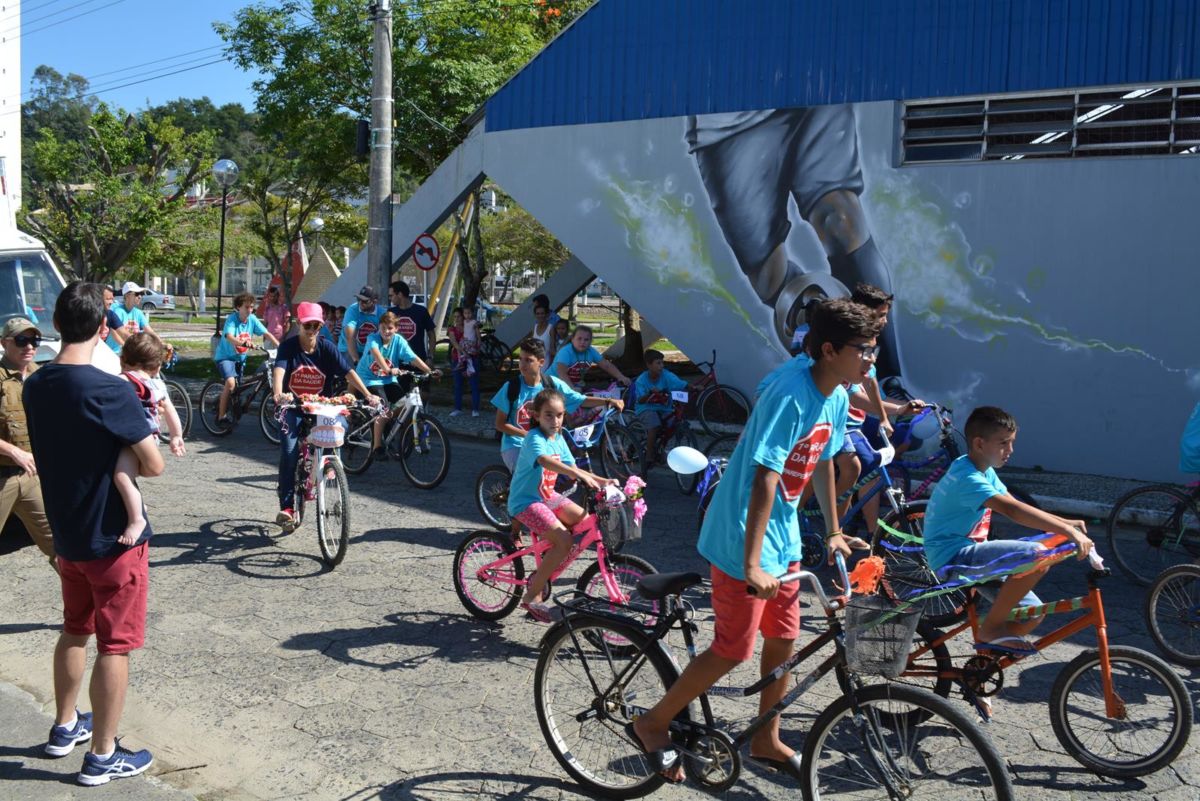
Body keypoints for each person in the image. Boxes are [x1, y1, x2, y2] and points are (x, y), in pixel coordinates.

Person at [630, 298, 875, 783]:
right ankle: (653, 722)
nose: (870, 359)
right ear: (829, 349)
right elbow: (765, 477)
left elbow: (823, 460)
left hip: (780, 530)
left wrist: (832, 530)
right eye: (863, 349)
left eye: (873, 349)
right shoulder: (791, 393)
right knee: (734, 648)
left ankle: (767, 737)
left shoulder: (838, 393)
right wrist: (751, 564)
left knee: (784, 637)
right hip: (743, 529)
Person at [25, 281, 164, 785]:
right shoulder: (110, 390)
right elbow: (153, 465)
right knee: (114, 646)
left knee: (74, 629)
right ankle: (103, 754)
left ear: (57, 324)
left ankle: (65, 727)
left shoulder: (35, 384)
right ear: (104, 328)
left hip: (68, 534)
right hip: (114, 538)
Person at [686, 104, 903, 376]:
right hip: (728, 127)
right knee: (769, 278)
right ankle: (830, 361)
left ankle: (889, 378)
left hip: (813, 96)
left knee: (841, 221)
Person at [923, 406, 1093, 656]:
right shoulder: (968, 479)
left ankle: (983, 666)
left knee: (1033, 615)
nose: (1010, 450)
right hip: (953, 557)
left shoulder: (978, 467)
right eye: (1003, 443)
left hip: (970, 552)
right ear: (979, 444)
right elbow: (1012, 511)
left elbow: (1016, 503)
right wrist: (1067, 529)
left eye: (1012, 442)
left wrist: (1066, 523)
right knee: (1038, 556)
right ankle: (990, 629)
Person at [507, 388, 615, 622]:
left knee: (587, 522)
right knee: (564, 541)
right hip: (526, 501)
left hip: (547, 496)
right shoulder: (535, 438)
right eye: (549, 415)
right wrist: (578, 476)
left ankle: (549, 560)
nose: (555, 421)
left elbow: (574, 469)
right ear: (536, 415)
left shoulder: (558, 438)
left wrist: (602, 481)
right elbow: (544, 460)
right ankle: (530, 596)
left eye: (560, 415)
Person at [272, 301, 378, 530]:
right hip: (292, 407)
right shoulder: (288, 347)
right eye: (307, 325)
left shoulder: (327, 348)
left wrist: (368, 395)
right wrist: (279, 394)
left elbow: (349, 373)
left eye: (316, 326)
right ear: (299, 324)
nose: (311, 331)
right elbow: (279, 371)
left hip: (321, 407)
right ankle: (288, 506)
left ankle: (327, 467)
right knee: (289, 452)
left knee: (339, 428)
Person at [492, 337, 622, 472]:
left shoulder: (552, 384)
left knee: (572, 473)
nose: (522, 364)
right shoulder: (511, 387)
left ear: (541, 362)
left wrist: (608, 401)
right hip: (516, 445)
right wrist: (528, 435)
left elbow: (580, 399)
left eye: (529, 360)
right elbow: (500, 424)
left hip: (548, 443)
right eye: (521, 359)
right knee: (534, 475)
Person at [113, 332, 185, 547]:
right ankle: (136, 511)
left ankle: (137, 518)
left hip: (133, 440)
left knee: (122, 476)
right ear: (156, 366)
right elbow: (171, 412)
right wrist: (176, 437)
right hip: (151, 440)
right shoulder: (158, 385)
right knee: (127, 477)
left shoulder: (122, 380)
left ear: (124, 359)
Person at [0, 317, 56, 567]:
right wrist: (12, 450)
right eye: (22, 340)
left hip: (32, 476)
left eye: (34, 340)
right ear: (4, 343)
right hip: (3, 478)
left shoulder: (40, 376)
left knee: (60, 546)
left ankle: (85, 605)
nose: (30, 346)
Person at [354, 311, 436, 460]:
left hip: (388, 380)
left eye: (390, 328)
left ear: (396, 329)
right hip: (369, 380)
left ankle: (387, 429)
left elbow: (413, 358)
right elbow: (376, 352)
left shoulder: (399, 341)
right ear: (379, 327)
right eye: (383, 327)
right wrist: (387, 369)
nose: (386, 331)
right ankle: (377, 446)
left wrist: (430, 371)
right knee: (382, 408)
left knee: (402, 403)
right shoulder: (373, 338)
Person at [214, 291, 281, 424]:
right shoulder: (232, 319)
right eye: (247, 307)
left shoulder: (252, 319)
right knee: (231, 383)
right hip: (225, 357)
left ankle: (233, 407)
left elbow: (267, 333)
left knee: (239, 389)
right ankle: (221, 416)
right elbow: (229, 336)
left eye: (252, 307)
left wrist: (280, 347)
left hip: (240, 359)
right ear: (238, 307)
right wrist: (243, 342)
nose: (250, 310)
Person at [632, 348, 689, 472]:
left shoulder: (666, 375)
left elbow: (680, 383)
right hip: (645, 408)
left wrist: (694, 387)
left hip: (664, 408)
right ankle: (649, 455)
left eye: (662, 363)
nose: (661, 366)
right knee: (654, 425)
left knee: (672, 425)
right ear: (649, 365)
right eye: (658, 363)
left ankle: (660, 448)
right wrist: (650, 393)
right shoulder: (642, 380)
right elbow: (640, 400)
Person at [551, 324, 631, 390]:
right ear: (572, 339)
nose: (582, 342)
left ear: (590, 341)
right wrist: (571, 389)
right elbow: (561, 373)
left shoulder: (591, 351)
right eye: (579, 339)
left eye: (586, 340)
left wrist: (621, 377)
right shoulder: (565, 352)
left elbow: (606, 365)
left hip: (573, 386)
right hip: (552, 384)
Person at [387, 280, 437, 363]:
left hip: (418, 360)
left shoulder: (421, 311)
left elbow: (431, 334)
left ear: (400, 294)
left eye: (391, 295)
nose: (390, 298)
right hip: (395, 361)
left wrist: (430, 356)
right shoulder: (391, 312)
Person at [447, 306, 481, 417]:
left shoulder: (470, 325)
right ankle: (457, 408)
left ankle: (475, 409)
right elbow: (454, 342)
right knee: (458, 384)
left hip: (472, 357)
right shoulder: (452, 329)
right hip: (458, 358)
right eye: (455, 316)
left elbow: (477, 333)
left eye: (459, 316)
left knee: (474, 384)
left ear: (464, 316)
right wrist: (462, 351)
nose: (456, 319)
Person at [104, 282, 154, 354]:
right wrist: (127, 347)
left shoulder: (138, 313)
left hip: (129, 354)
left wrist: (162, 344)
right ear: (127, 295)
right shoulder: (118, 311)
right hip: (114, 353)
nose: (140, 296)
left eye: (141, 294)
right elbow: (114, 332)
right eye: (137, 294)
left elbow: (150, 332)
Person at [339, 285, 385, 363]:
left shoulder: (382, 313)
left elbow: (386, 336)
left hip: (369, 352)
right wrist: (356, 360)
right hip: (348, 350)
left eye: (365, 301)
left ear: (374, 301)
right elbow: (350, 337)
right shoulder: (352, 310)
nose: (360, 303)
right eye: (359, 299)